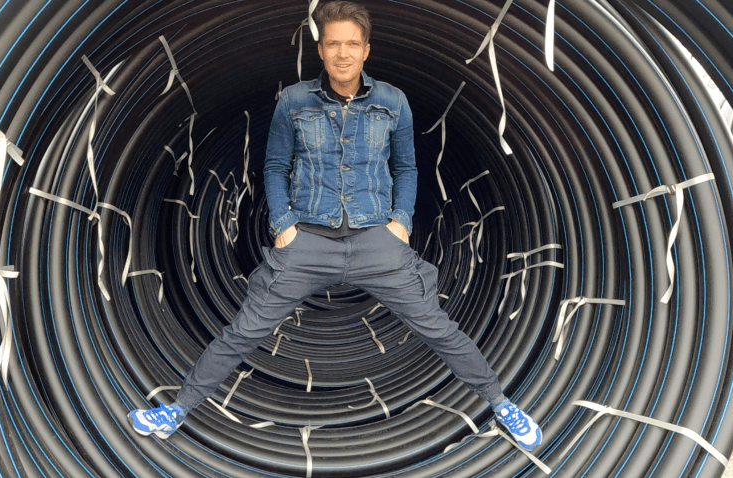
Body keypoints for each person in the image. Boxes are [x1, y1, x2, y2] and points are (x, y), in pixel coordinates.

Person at [128, 0, 542, 451]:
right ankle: (177, 409)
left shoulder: (392, 102)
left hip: (376, 243)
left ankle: (501, 404)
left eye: (351, 44)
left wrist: (401, 222)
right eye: (333, 44)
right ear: (321, 49)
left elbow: (406, 168)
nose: (342, 53)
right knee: (244, 331)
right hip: (307, 242)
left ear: (366, 49)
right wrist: (283, 225)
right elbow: (274, 166)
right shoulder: (294, 101)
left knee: (438, 328)